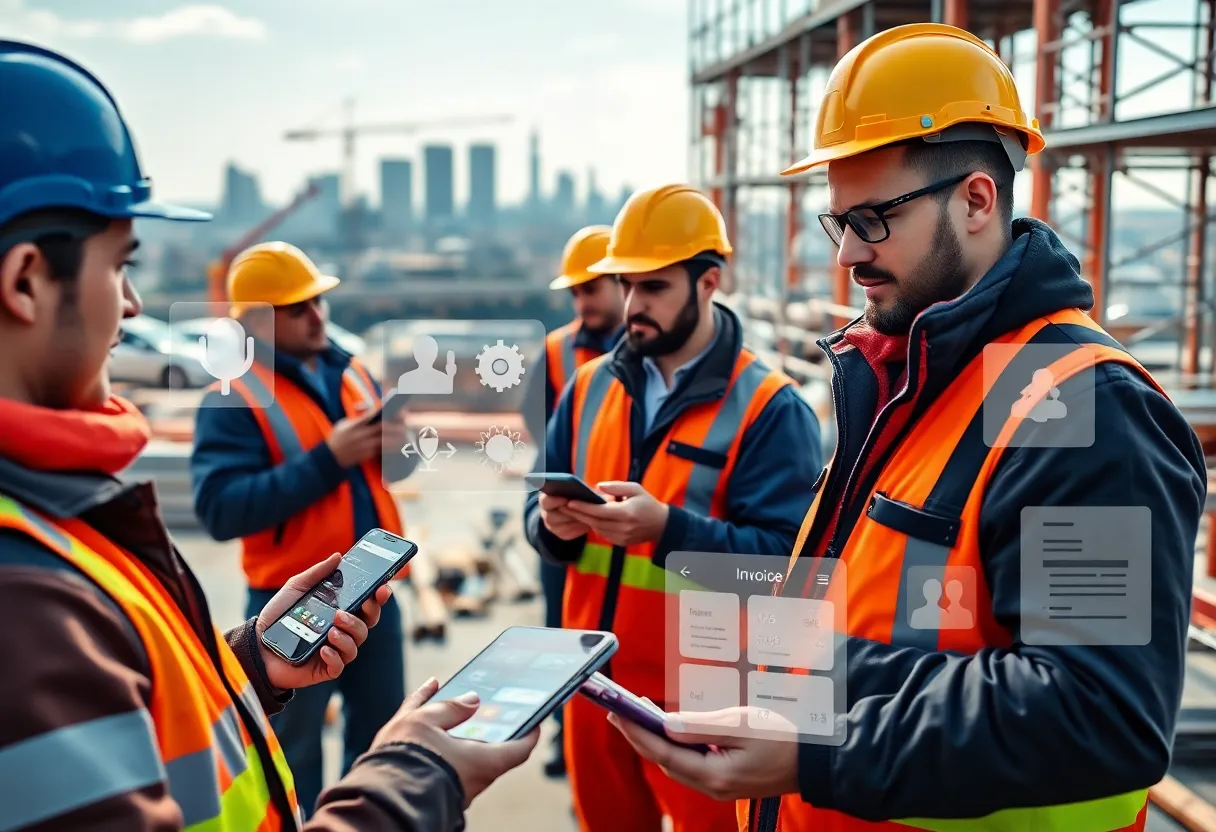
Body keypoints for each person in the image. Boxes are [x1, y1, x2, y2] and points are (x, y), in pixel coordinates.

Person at [606, 23, 1206, 832]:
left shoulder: (1080, 407)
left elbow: (1099, 711)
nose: (849, 254)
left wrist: (822, 743)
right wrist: (766, 683)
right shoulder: (904, 379)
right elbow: (874, 611)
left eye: (874, 218)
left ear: (977, 199)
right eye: (840, 222)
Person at [0, 38, 536, 831]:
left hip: (343, 609)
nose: (137, 305)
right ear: (26, 281)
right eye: (122, 266)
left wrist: (249, 662)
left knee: (365, 732)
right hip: (298, 593)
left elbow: (152, 711)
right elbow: (224, 509)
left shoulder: (347, 372)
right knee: (304, 762)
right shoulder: (28, 590)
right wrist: (418, 782)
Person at [524, 184, 824, 832]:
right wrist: (552, 527)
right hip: (592, 686)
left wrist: (668, 532)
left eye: (654, 287)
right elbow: (537, 513)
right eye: (627, 286)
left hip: (705, 709)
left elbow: (787, 573)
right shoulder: (587, 387)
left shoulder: (772, 408)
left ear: (708, 281)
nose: (634, 306)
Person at [191, 240, 420, 816]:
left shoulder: (352, 374)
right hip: (288, 605)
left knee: (380, 744)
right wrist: (329, 457)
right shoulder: (232, 396)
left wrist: (405, 445)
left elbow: (393, 471)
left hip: (373, 595)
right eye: (299, 308)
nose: (318, 316)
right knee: (293, 758)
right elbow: (221, 510)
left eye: (317, 302)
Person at [524, 223, 626, 779]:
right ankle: (568, 737)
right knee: (561, 634)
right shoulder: (555, 353)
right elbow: (537, 438)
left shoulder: (650, 350)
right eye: (576, 292)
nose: (582, 301)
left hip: (629, 525)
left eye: (592, 288)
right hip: (568, 524)